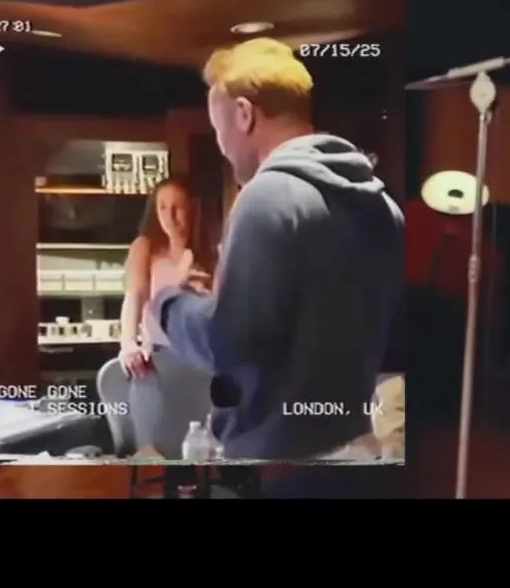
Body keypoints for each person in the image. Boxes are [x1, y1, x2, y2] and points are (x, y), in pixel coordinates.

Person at [151, 38, 406, 469]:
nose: (222, 145)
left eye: (218, 128)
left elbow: (232, 344)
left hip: (280, 458)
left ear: (244, 113)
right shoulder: (382, 204)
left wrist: (168, 303)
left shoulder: (267, 197)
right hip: (356, 446)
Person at [118, 178, 214, 458]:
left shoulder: (212, 254)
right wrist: (128, 343)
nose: (169, 217)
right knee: (154, 453)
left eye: (177, 208)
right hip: (157, 360)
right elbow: (134, 295)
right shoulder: (145, 247)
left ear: (193, 210)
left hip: (202, 364)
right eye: (162, 207)